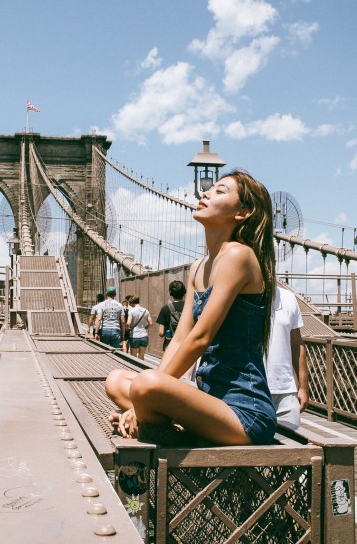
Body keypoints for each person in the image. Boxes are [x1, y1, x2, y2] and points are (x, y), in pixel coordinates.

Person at [105, 169, 277, 446]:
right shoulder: (198, 267)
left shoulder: (238, 255)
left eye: (220, 191)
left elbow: (200, 338)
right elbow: (182, 336)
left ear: (242, 213)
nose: (206, 193)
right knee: (116, 380)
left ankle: (152, 420)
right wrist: (145, 394)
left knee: (146, 385)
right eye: (210, 190)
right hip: (208, 399)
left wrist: (141, 399)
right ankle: (159, 418)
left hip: (244, 413)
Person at [267, 286, 310, 430]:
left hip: (286, 393)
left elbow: (297, 344)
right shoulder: (235, 295)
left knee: (291, 446)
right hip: (249, 391)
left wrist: (303, 387)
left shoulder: (288, 298)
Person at [156, 280, 187, 352]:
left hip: (170, 345)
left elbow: (161, 333)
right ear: (184, 292)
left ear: (170, 293)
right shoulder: (190, 307)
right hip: (187, 344)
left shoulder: (166, 308)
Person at [126, 295, 152, 360]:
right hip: (144, 336)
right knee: (141, 356)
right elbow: (151, 324)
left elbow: (128, 323)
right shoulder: (145, 311)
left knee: (133, 358)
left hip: (134, 336)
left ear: (132, 302)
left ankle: (134, 369)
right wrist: (145, 328)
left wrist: (128, 328)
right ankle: (141, 369)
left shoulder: (131, 311)